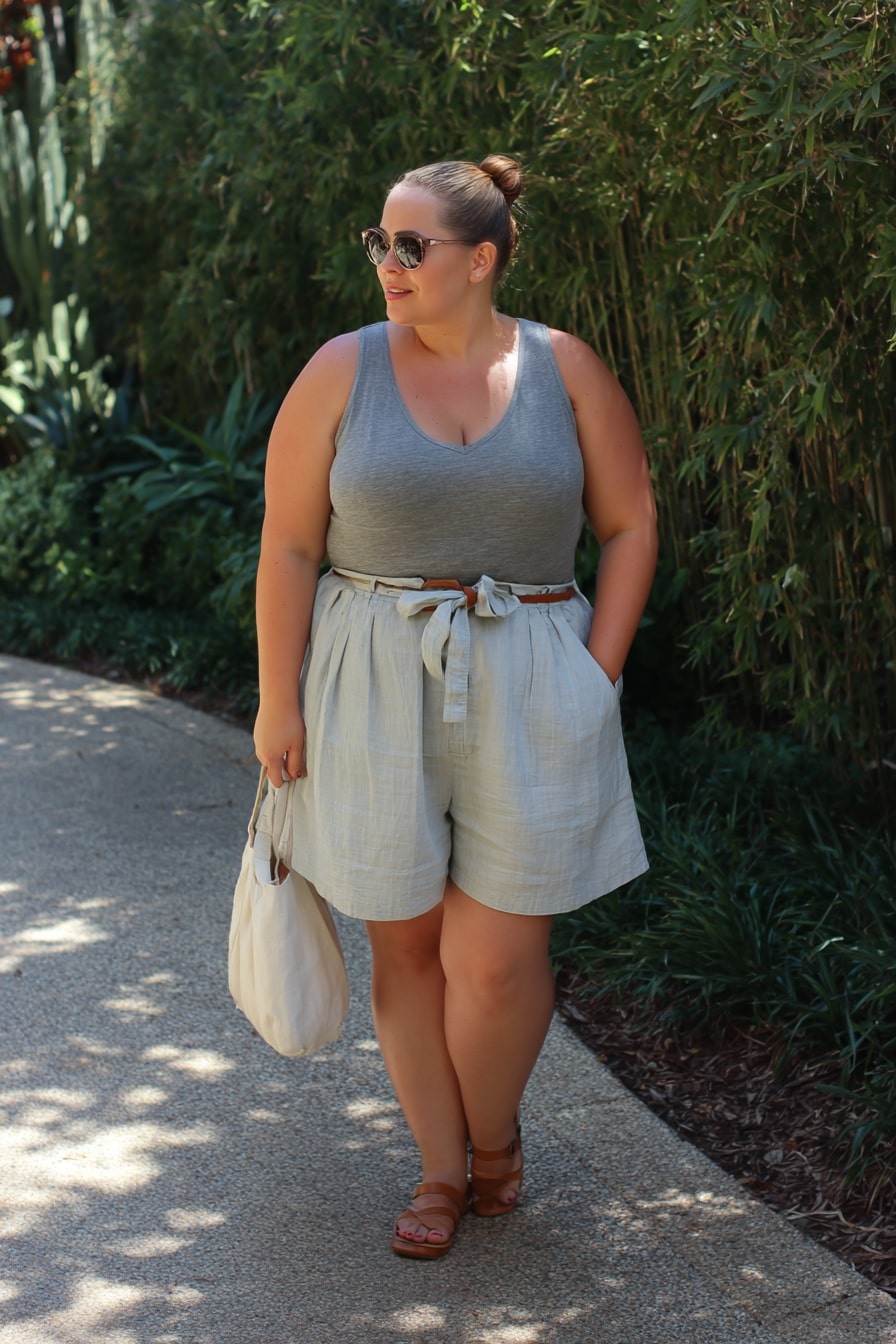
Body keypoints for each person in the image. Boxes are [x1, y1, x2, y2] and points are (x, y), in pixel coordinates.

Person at [253, 154, 657, 1260]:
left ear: (479, 260)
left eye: (410, 246)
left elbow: (629, 524)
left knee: (497, 956)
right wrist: (273, 701)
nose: (387, 265)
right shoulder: (341, 371)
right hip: (370, 673)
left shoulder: (563, 368)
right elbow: (288, 546)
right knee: (409, 945)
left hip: (532, 671)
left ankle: (495, 1140)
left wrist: (595, 669)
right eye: (379, 243)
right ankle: (443, 1168)